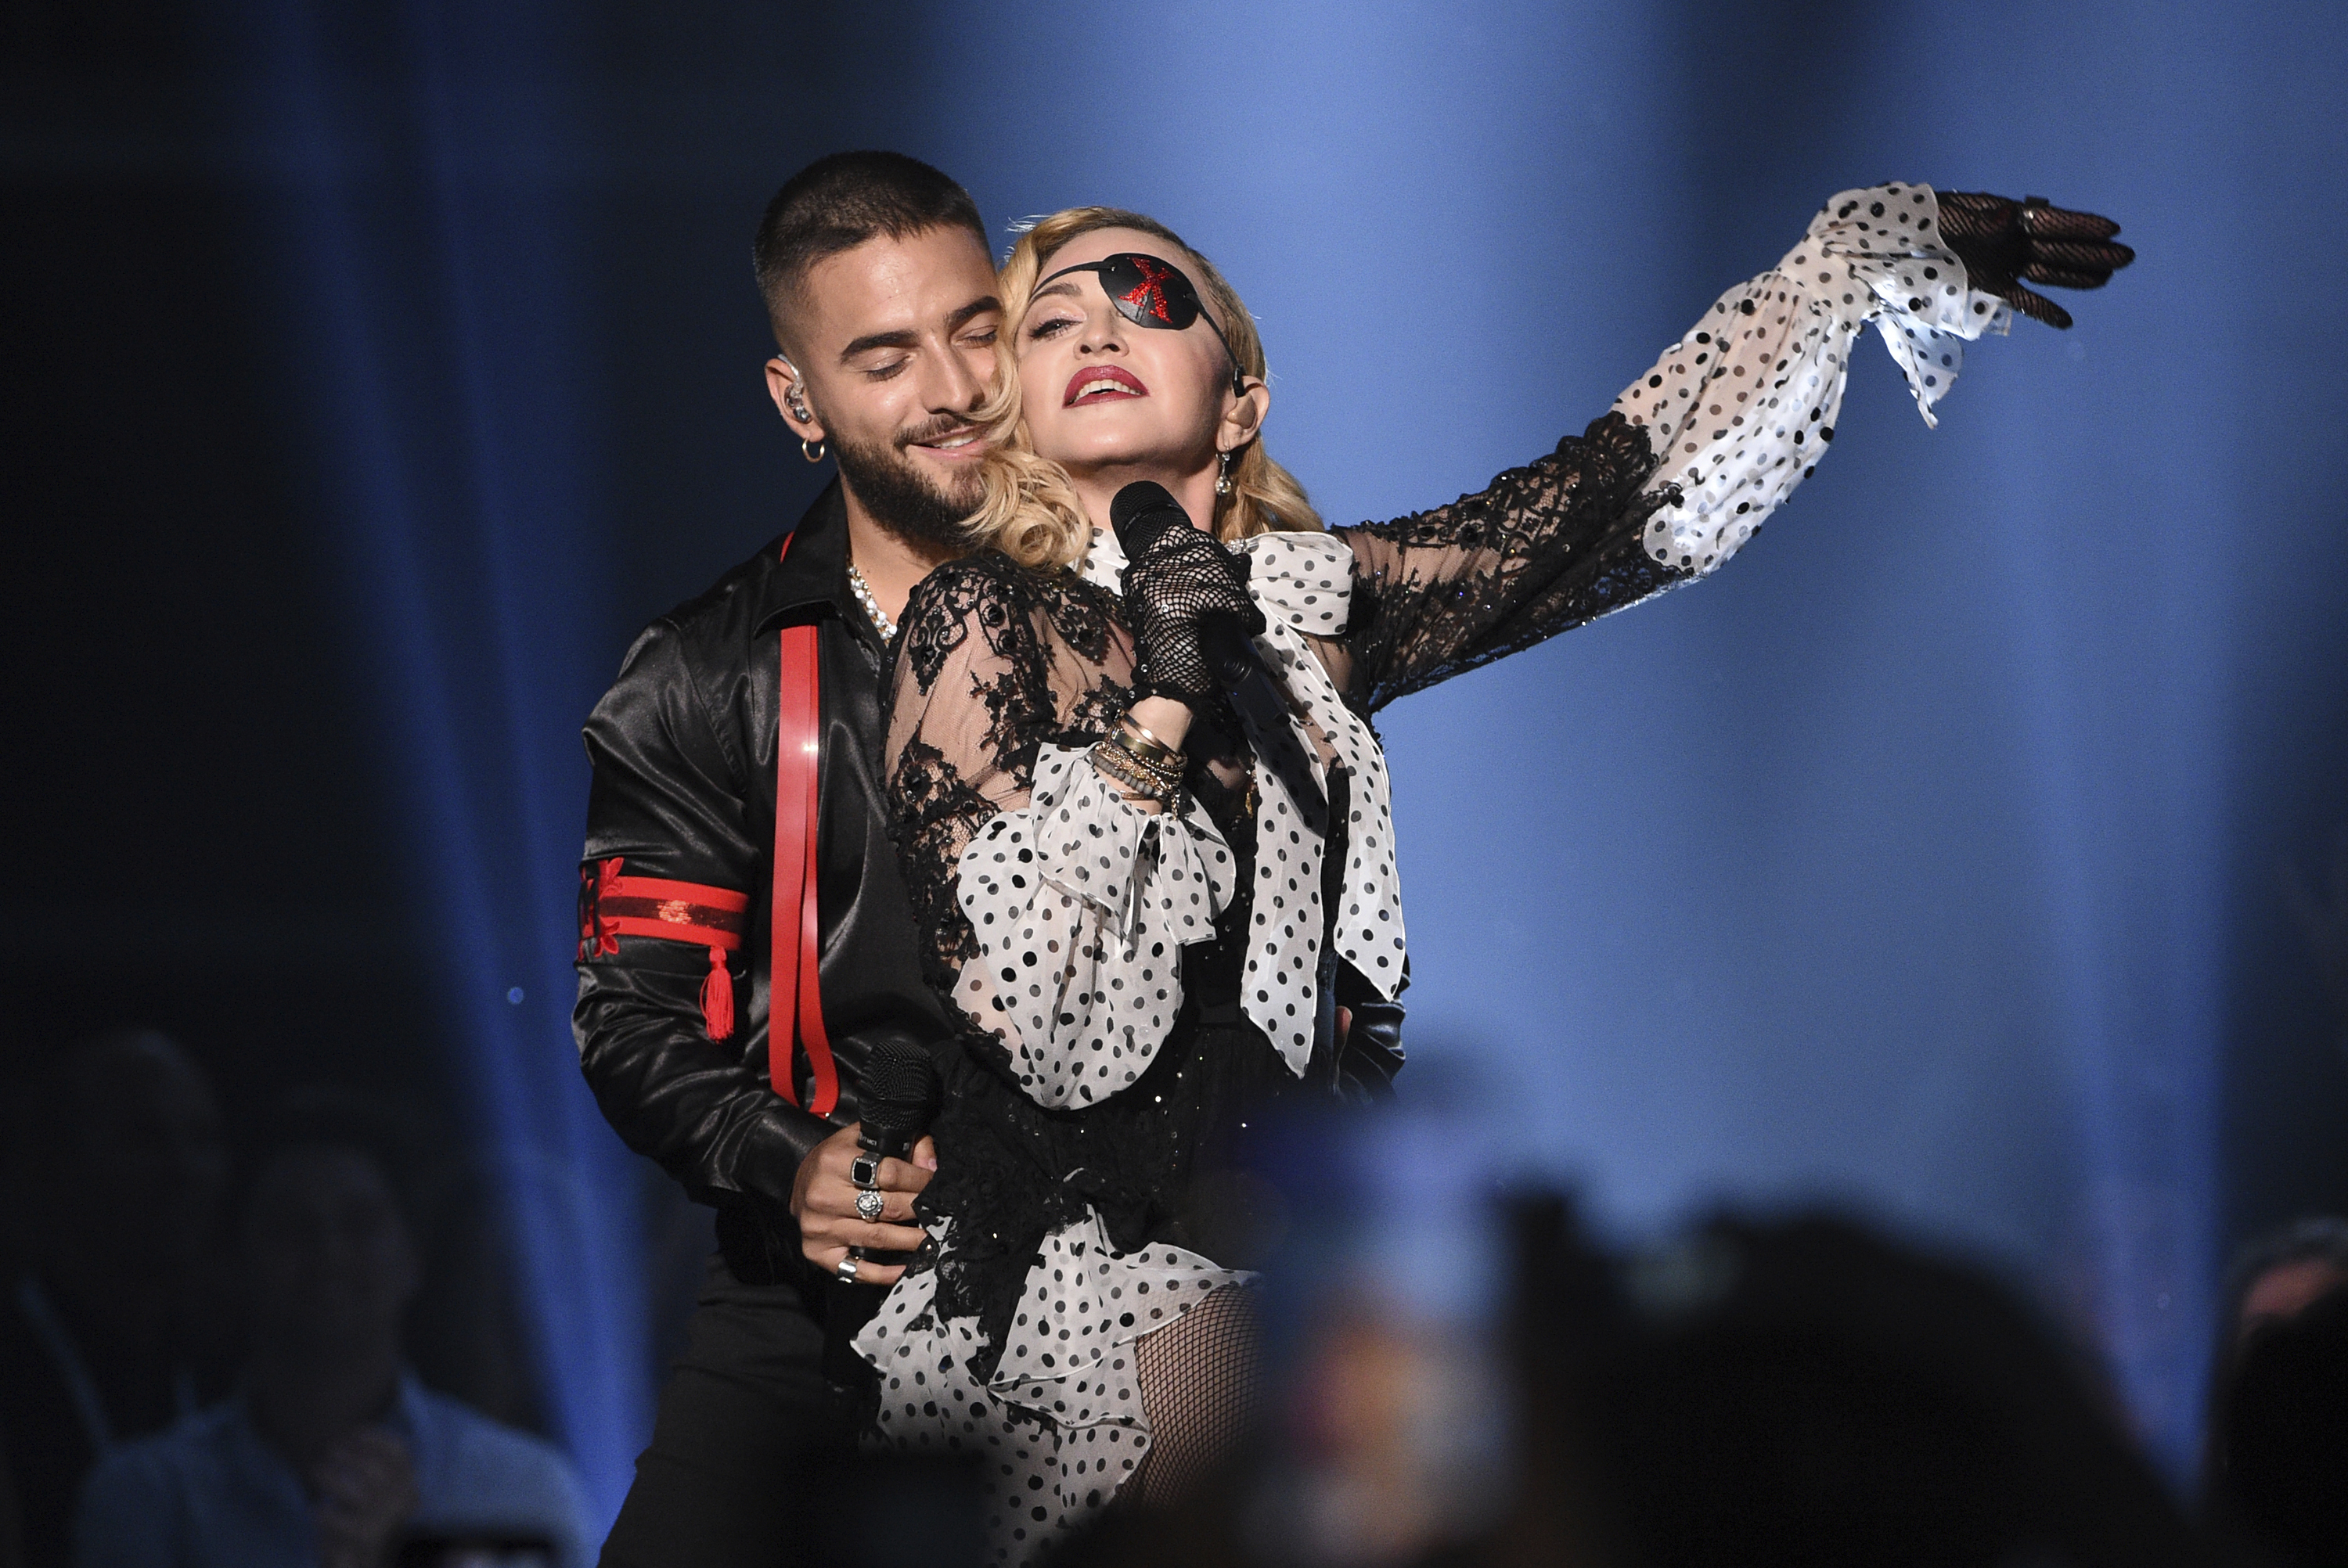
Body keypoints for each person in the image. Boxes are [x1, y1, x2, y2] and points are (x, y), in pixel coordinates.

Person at [859, 186, 2133, 1560]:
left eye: (1149, 298)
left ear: (1241, 404)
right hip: (1078, 1284)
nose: (1097, 324)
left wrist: (1851, 261)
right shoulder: (979, 620)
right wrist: (1159, 702)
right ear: (1019, 411)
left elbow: (1593, 503)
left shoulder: (1311, 623)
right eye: (1051, 319)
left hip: (1306, 1275)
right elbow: (1030, 1008)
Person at [572, 149, 1021, 1568]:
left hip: (1126, 1286)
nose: (949, 388)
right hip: (808, 1302)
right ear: (800, 401)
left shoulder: (1146, 616)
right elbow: (631, 1011)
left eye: (975, 328)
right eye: (884, 356)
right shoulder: (706, 672)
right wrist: (788, 1158)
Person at [71, 1097, 592, 1568]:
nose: (328, 1253)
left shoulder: (525, 1488)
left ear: (413, 1258)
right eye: (290, 1225)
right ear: (234, 1261)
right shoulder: (147, 1496)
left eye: (360, 1223)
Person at [0, 1031, 235, 1568]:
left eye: (204, 1139)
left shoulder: (235, 1371)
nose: (183, 1170)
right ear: (58, 1162)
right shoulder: (14, 1363)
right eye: (143, 1138)